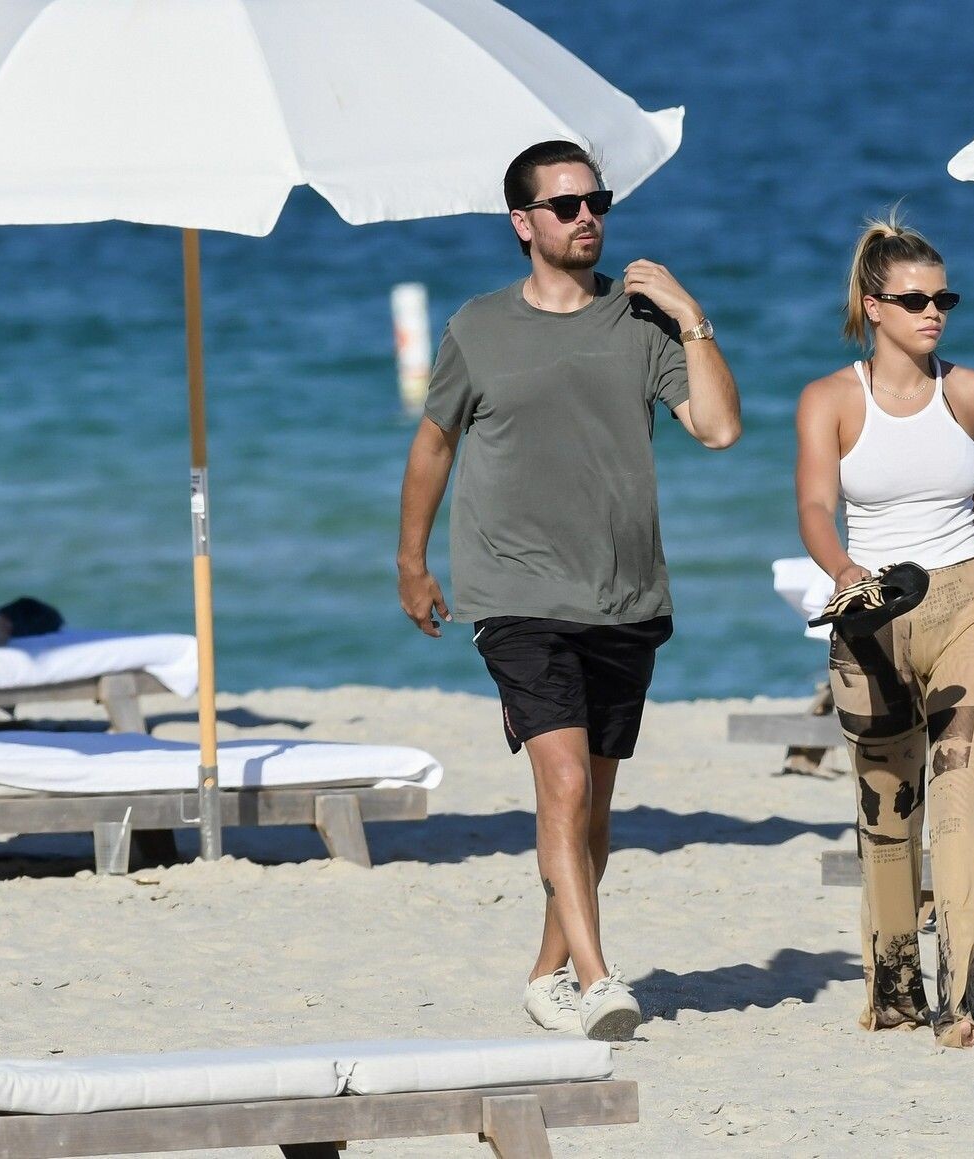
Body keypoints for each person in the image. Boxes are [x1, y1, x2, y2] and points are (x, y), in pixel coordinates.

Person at [396, 140, 740, 1042]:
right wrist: (411, 560)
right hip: (514, 590)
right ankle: (595, 977)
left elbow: (718, 428)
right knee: (562, 782)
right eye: (565, 205)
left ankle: (544, 974)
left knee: (591, 807)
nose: (587, 217)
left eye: (597, 201)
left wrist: (690, 314)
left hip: (625, 594)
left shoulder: (642, 321)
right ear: (523, 223)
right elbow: (434, 442)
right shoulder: (478, 326)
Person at [793, 211, 974, 1049]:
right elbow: (814, 507)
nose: (933, 312)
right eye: (914, 300)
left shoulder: (970, 391)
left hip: (965, 607)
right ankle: (893, 992)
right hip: (870, 614)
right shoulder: (830, 400)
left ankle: (959, 1007)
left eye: (943, 298)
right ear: (873, 306)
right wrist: (843, 571)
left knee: (959, 809)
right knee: (886, 819)